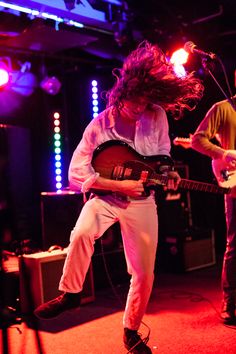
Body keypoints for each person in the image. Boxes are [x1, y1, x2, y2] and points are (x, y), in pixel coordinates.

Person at [34, 41, 203, 353]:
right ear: (122, 93)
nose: (140, 109)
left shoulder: (158, 116)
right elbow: (74, 173)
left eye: (145, 102)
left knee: (144, 274)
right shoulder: (100, 124)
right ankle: (71, 293)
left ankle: (131, 331)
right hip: (105, 199)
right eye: (134, 103)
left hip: (143, 203)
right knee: (82, 232)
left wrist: (169, 173)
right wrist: (116, 186)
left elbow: (163, 153)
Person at [191, 95, 236, 325]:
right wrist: (224, 153)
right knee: (234, 245)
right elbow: (197, 140)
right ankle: (231, 301)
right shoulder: (223, 108)